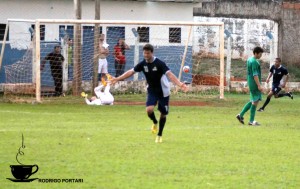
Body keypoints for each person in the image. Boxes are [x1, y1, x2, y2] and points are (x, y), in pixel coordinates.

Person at [110, 44, 188, 143]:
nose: (146, 55)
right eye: (144, 53)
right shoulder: (143, 64)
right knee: (149, 110)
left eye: (148, 53)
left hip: (163, 92)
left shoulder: (159, 63)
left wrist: (180, 84)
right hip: (152, 90)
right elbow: (131, 72)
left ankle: (159, 134)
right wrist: (117, 79)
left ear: (152, 53)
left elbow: (170, 75)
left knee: (163, 113)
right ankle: (155, 122)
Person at [236, 47, 264, 126]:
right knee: (255, 101)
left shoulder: (249, 59)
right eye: (260, 54)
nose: (261, 56)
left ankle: (240, 115)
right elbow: (255, 74)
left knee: (253, 100)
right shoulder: (254, 61)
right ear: (256, 53)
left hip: (250, 82)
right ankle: (251, 121)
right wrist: (259, 85)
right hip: (254, 83)